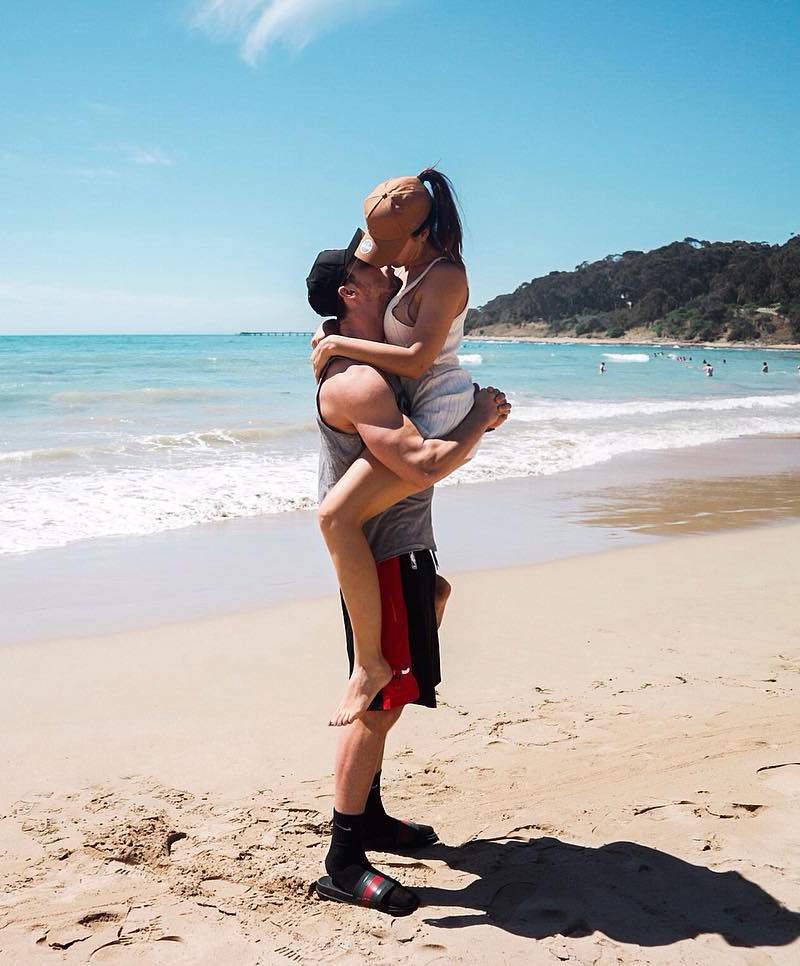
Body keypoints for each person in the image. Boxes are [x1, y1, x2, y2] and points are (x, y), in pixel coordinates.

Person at [306, 239, 509, 915]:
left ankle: (371, 815)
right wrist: (479, 419)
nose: (390, 274)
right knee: (381, 698)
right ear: (350, 294)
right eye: (374, 272)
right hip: (383, 555)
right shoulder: (358, 381)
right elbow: (420, 464)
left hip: (405, 550)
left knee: (418, 640)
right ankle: (343, 857)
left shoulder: (362, 360)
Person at [311, 170, 491, 727]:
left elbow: (415, 359)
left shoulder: (442, 275)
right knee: (341, 518)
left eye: (386, 251)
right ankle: (429, 596)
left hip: (438, 400)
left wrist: (480, 417)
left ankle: (370, 665)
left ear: (419, 232)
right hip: (423, 400)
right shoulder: (407, 268)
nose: (382, 263)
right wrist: (331, 336)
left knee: (336, 517)